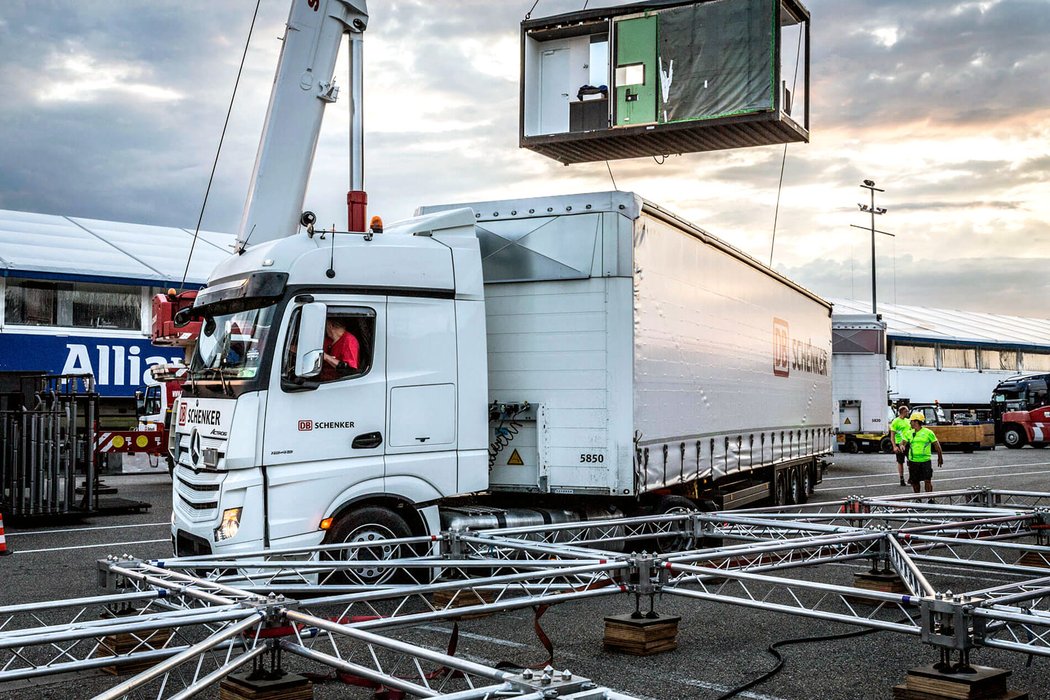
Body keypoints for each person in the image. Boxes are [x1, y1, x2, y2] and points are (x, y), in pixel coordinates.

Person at [902, 411, 944, 496]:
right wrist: (902, 446)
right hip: (913, 461)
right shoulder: (909, 432)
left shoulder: (928, 432)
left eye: (911, 421)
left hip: (925, 461)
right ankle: (918, 499)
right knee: (915, 481)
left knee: (927, 480)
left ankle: (930, 498)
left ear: (916, 422)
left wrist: (940, 457)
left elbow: (937, 446)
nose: (910, 423)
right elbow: (902, 443)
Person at [889, 405, 912, 487]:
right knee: (900, 462)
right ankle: (901, 478)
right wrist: (894, 446)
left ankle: (911, 478)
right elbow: (892, 435)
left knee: (911, 461)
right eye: (907, 411)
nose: (908, 412)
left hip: (908, 443)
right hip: (899, 443)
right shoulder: (895, 421)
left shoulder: (908, 421)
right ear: (903, 412)